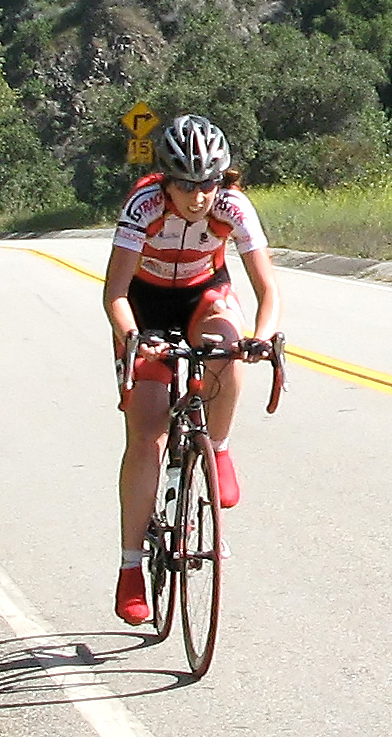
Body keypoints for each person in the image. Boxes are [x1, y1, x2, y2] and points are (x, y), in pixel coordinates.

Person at [103, 114, 282, 625]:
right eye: (185, 184)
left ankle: (217, 447)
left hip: (203, 294)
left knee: (227, 345)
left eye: (207, 183)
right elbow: (115, 293)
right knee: (148, 435)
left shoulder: (233, 206)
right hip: (145, 304)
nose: (198, 196)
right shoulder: (144, 205)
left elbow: (268, 290)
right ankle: (131, 568)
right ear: (166, 180)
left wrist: (260, 337)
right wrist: (135, 338)